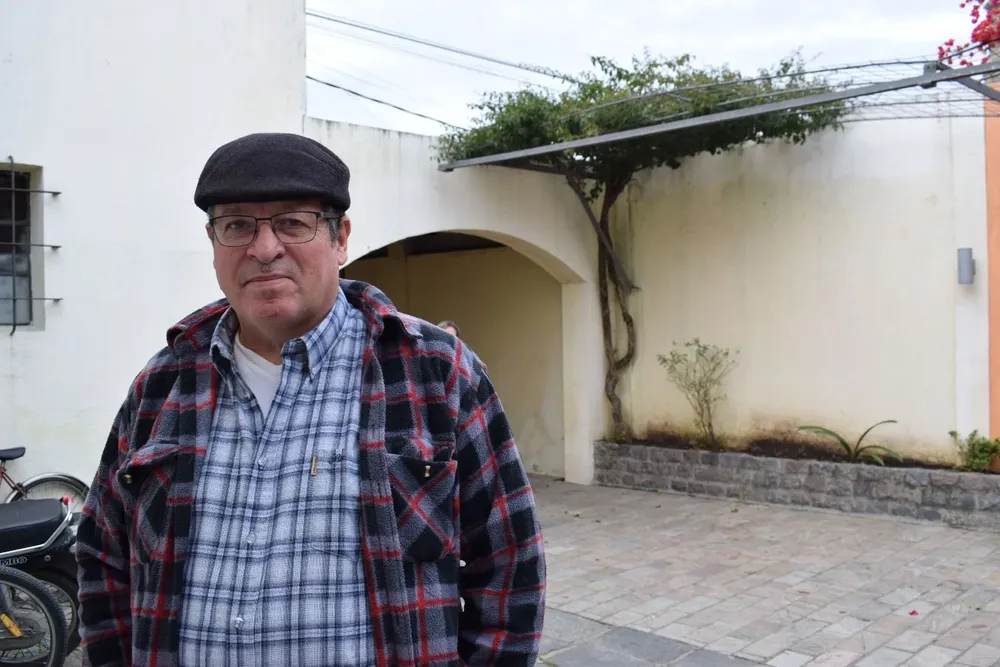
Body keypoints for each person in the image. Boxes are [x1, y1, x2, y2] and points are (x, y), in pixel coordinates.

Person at [75, 132, 546, 667]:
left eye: (293, 223)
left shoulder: (434, 372)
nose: (264, 248)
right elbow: (103, 557)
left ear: (340, 238)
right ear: (213, 243)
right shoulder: (162, 386)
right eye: (237, 226)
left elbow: (510, 566)